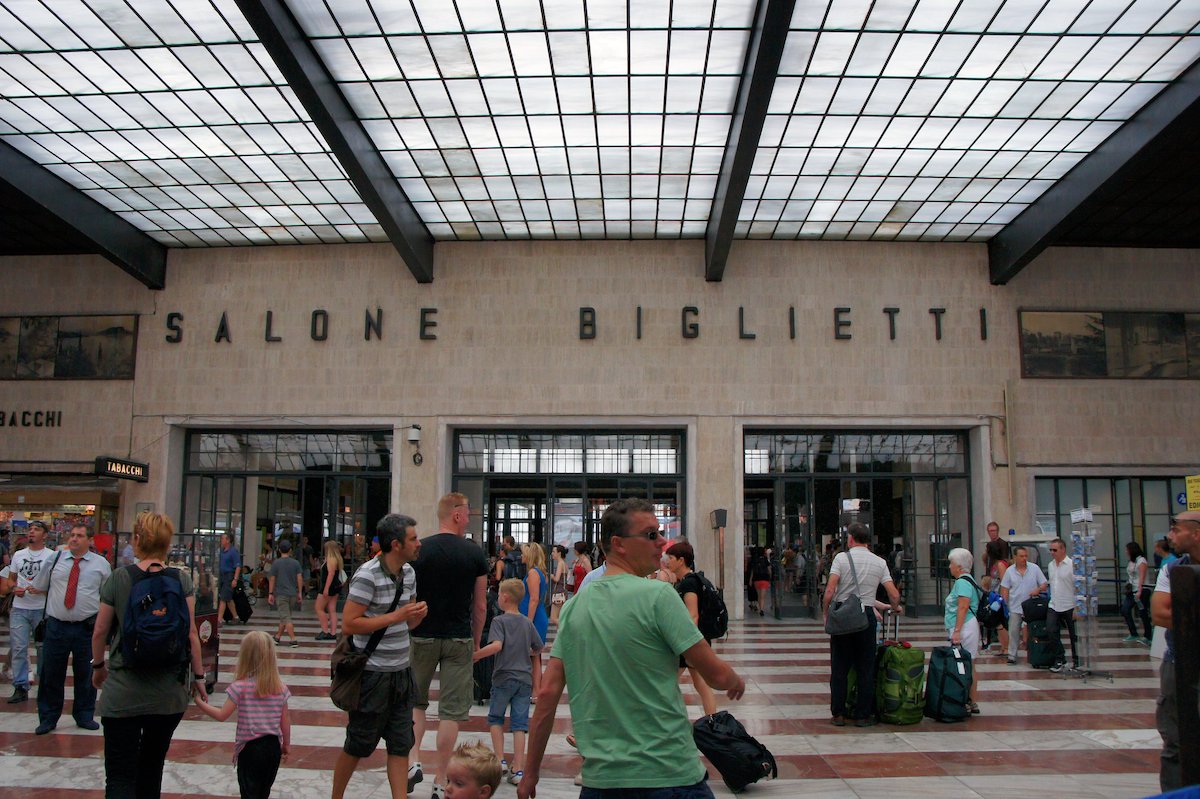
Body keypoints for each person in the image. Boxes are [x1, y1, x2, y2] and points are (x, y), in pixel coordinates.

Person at [517, 498, 745, 799]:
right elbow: (713, 673)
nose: (662, 541)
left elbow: (547, 696)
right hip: (670, 776)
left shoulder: (574, 609)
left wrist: (531, 772)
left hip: (602, 783)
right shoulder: (660, 596)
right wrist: (734, 680)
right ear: (619, 544)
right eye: (651, 535)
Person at [91, 511, 208, 799]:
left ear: (138, 539)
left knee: (119, 774)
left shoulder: (119, 578)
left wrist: (98, 667)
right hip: (168, 694)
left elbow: (100, 631)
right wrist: (200, 677)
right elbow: (191, 633)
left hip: (124, 691)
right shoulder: (181, 580)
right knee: (152, 768)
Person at [333, 513, 429, 799]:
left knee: (401, 744)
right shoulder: (367, 575)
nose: (419, 543)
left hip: (401, 672)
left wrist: (415, 617)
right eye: (413, 538)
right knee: (358, 744)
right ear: (396, 544)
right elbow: (349, 623)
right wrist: (398, 615)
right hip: (372, 675)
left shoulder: (409, 573)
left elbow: (406, 623)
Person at [410, 493, 490, 799]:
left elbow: (409, 596)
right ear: (455, 515)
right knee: (450, 712)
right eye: (467, 512)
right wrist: (477, 638)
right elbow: (480, 605)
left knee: (416, 703)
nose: (469, 517)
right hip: (458, 638)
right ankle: (440, 778)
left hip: (422, 635)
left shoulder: (421, 550)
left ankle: (413, 759)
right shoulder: (474, 554)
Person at [29, 523, 111, 734]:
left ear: (89, 540)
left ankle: (84, 714)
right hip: (57, 625)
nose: (74, 539)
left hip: (86, 627)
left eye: (79, 536)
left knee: (86, 672)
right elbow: (40, 585)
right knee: (51, 673)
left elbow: (106, 596)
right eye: (72, 535)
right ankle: (48, 717)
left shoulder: (100, 564)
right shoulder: (55, 559)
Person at [194, 630, 292, 799]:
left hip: (250, 748)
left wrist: (199, 702)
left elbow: (222, 715)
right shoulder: (280, 688)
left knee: (249, 792)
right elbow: (285, 721)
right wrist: (286, 745)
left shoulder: (240, 687)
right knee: (263, 791)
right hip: (273, 747)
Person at [822, 523, 901, 726]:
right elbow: (893, 593)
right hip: (866, 617)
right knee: (866, 667)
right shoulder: (879, 562)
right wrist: (894, 607)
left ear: (850, 539)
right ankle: (863, 715)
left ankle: (838, 713)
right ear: (868, 540)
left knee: (839, 667)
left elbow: (830, 590)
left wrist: (825, 613)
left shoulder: (841, 558)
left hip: (843, 616)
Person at [473, 578, 543, 787]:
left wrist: (476, 654)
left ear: (504, 598)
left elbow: (496, 646)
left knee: (496, 718)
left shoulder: (499, 622)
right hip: (523, 679)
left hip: (503, 676)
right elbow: (538, 648)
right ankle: (518, 768)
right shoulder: (526, 622)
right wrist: (526, 653)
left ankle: (500, 759)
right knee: (519, 724)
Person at [1151, 511, 1200, 792]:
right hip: (1178, 660)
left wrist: (1185, 614)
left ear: (1195, 533)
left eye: (1176, 530)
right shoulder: (1172, 568)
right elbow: (1159, 612)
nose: (1170, 536)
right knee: (1175, 740)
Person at [664, 541, 718, 716]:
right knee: (700, 684)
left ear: (681, 560)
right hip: (696, 641)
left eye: (671, 558)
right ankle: (712, 722)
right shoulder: (689, 580)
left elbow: (692, 615)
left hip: (689, 642)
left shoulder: (688, 583)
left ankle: (662, 721)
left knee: (666, 683)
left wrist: (685, 645)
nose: (667, 561)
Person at [6, 520, 53, 704]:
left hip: (41, 609)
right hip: (20, 607)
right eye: (30, 529)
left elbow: (57, 583)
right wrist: (13, 588)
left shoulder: (51, 556)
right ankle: (20, 685)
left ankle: (45, 685)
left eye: (37, 529)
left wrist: (42, 589)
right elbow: (11, 579)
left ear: (45, 535)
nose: (32, 532)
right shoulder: (18, 555)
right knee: (19, 647)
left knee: (43, 649)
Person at [944, 547, 983, 714]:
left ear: (959, 566)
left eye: (951, 563)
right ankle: (972, 701)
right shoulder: (969, 580)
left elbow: (963, 607)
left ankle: (965, 700)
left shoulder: (962, 582)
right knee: (970, 664)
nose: (949, 566)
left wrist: (957, 631)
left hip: (965, 626)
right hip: (968, 625)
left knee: (964, 664)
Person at [998, 545, 1047, 665]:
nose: (1024, 558)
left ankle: (1033, 654)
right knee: (1013, 631)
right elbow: (1005, 588)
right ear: (1015, 557)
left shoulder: (1034, 568)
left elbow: (1044, 584)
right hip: (1015, 606)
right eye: (1021, 556)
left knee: (1033, 631)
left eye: (1025, 556)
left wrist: (1038, 589)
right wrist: (1005, 606)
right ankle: (1012, 655)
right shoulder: (1010, 571)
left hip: (1032, 607)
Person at [1045, 537, 1079, 672]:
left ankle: (1077, 659)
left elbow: (1077, 586)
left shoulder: (1072, 565)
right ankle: (1060, 658)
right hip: (1054, 604)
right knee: (1050, 630)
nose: (1052, 553)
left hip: (1070, 605)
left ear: (1063, 549)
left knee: (1073, 635)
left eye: (1055, 550)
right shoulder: (1051, 565)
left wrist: (1077, 606)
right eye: (1050, 550)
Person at [267, 539, 303, 648]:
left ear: (279, 550)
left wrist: (270, 593)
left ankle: (293, 639)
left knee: (286, 617)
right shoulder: (295, 563)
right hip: (292, 594)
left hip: (281, 594)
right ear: (290, 550)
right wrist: (300, 592)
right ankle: (277, 637)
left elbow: (272, 579)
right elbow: (299, 578)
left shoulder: (276, 563)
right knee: (286, 616)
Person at [1121, 541, 1153, 645]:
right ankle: (1133, 633)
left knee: (1143, 613)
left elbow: (1142, 576)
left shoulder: (1141, 560)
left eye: (1127, 549)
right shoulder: (1132, 561)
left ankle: (1148, 636)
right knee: (1125, 609)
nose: (1126, 551)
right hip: (1132, 590)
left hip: (1142, 590)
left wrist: (1139, 590)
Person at [315, 540, 345, 641]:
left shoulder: (330, 559)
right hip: (336, 587)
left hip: (328, 586)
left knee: (319, 608)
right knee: (332, 610)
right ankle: (332, 633)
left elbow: (330, 574)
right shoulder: (337, 558)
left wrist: (326, 589)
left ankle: (325, 631)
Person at [217, 532, 242, 628]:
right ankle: (235, 616)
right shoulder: (222, 551)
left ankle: (219, 619)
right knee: (228, 598)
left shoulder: (233, 551)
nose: (221, 541)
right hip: (221, 575)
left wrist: (235, 579)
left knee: (223, 597)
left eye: (223, 539)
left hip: (229, 576)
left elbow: (238, 566)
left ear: (228, 540)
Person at [547, 545, 568, 626]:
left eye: (553, 552)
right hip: (563, 591)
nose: (552, 554)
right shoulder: (564, 564)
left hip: (558, 592)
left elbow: (557, 579)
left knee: (553, 617)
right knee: (560, 616)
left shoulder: (560, 564)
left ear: (559, 553)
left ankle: (564, 630)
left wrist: (551, 576)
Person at [749, 547, 771, 616]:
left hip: (756, 579)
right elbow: (769, 570)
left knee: (759, 596)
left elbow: (752, 571)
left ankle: (759, 607)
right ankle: (761, 609)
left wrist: (750, 579)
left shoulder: (755, 560)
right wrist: (770, 577)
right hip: (764, 579)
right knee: (763, 597)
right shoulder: (765, 560)